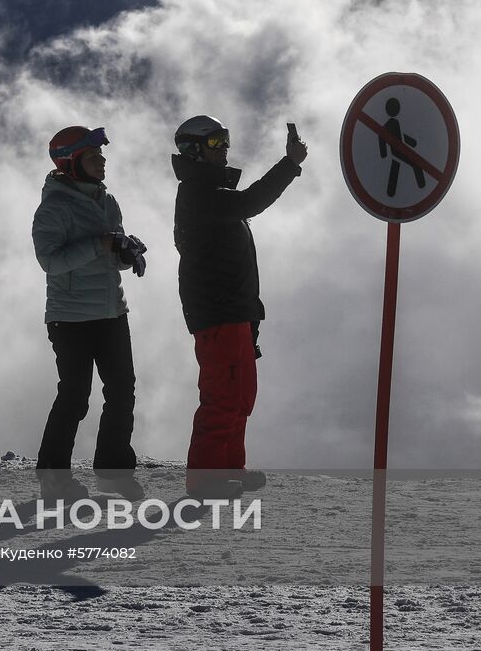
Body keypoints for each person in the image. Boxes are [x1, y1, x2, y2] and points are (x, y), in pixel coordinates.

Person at [172, 115, 307, 499]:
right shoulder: (199, 192)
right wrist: (290, 164)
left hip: (235, 312)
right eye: (216, 144)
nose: (224, 150)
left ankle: (229, 468)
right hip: (218, 314)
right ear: (194, 151)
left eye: (225, 142)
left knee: (241, 393)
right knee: (223, 395)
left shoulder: (210, 191)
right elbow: (252, 201)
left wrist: (251, 313)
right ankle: (204, 478)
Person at [32, 125, 149, 503]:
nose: (102, 162)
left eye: (101, 156)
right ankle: (53, 478)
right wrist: (99, 245)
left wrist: (126, 254)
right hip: (70, 318)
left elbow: (109, 252)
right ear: (72, 164)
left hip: (111, 310)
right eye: (94, 157)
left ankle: (114, 474)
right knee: (75, 396)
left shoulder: (107, 201)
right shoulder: (53, 207)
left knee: (122, 391)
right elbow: (50, 262)